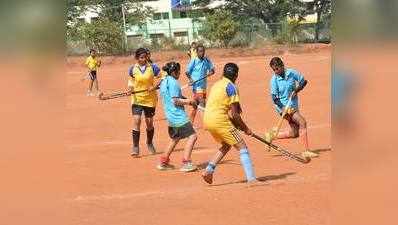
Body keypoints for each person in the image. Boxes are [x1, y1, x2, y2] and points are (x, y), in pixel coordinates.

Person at [201, 63, 257, 184]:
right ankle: (252, 179)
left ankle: (208, 171)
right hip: (220, 120)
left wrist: (235, 123)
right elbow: (235, 115)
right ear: (236, 75)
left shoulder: (217, 84)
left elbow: (223, 109)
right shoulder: (231, 87)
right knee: (242, 146)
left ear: (223, 73)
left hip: (207, 119)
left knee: (226, 145)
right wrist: (246, 129)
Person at [265, 57, 318, 158]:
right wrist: (283, 107)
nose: (275, 71)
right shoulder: (274, 80)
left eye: (277, 69)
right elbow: (275, 98)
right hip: (282, 107)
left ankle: (272, 135)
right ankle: (306, 151)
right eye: (273, 70)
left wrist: (297, 90)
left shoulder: (291, 73)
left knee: (295, 133)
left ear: (282, 65)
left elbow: (304, 82)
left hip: (293, 105)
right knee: (302, 122)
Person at [157, 61, 198, 172]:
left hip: (170, 116)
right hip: (177, 116)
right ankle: (186, 162)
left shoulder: (164, 82)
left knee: (175, 138)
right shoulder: (174, 82)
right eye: (178, 71)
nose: (179, 73)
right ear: (174, 72)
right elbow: (175, 100)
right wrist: (190, 102)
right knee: (193, 136)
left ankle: (163, 162)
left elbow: (174, 97)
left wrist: (188, 100)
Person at [127, 48, 162, 157]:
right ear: (137, 58)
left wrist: (155, 86)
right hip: (137, 98)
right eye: (141, 57)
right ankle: (135, 147)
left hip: (150, 99)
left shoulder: (153, 67)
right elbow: (131, 82)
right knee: (137, 121)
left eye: (145, 57)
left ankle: (149, 142)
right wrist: (130, 89)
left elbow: (163, 77)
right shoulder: (132, 69)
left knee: (149, 123)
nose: (143, 59)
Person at [185, 44, 215, 125]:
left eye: (203, 51)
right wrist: (191, 80)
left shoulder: (206, 61)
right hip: (197, 86)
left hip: (203, 86)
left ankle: (190, 124)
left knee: (195, 106)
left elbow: (212, 70)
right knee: (202, 104)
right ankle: (207, 124)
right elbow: (187, 72)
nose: (202, 53)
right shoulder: (194, 61)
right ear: (197, 52)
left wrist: (211, 72)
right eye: (200, 51)